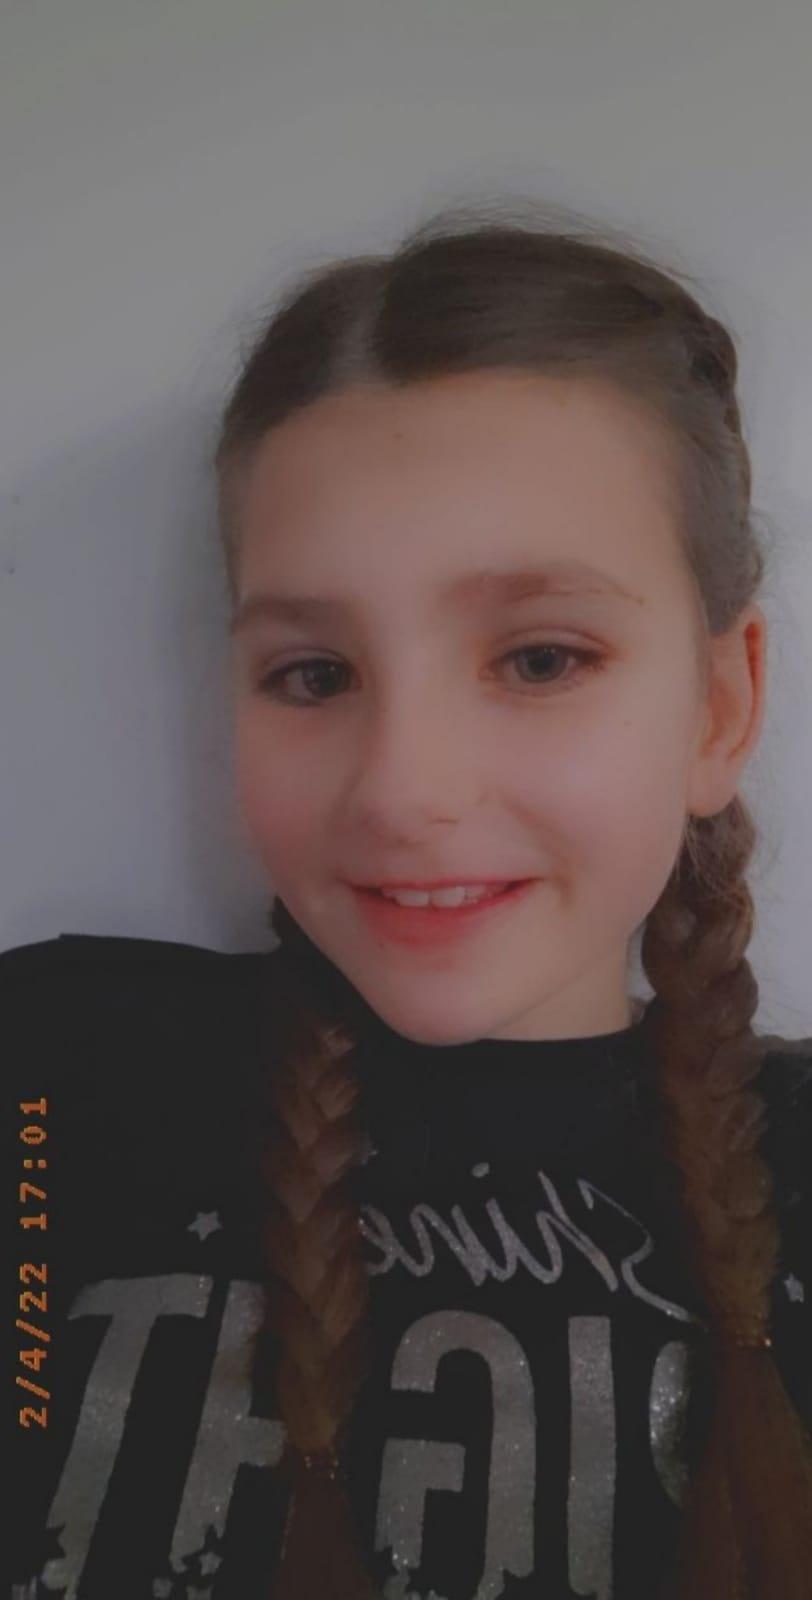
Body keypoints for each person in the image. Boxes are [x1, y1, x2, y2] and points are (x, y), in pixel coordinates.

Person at [8, 201, 812, 1600]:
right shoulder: (45, 1066)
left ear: (720, 706)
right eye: (314, 675)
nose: (400, 790)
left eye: (542, 659)